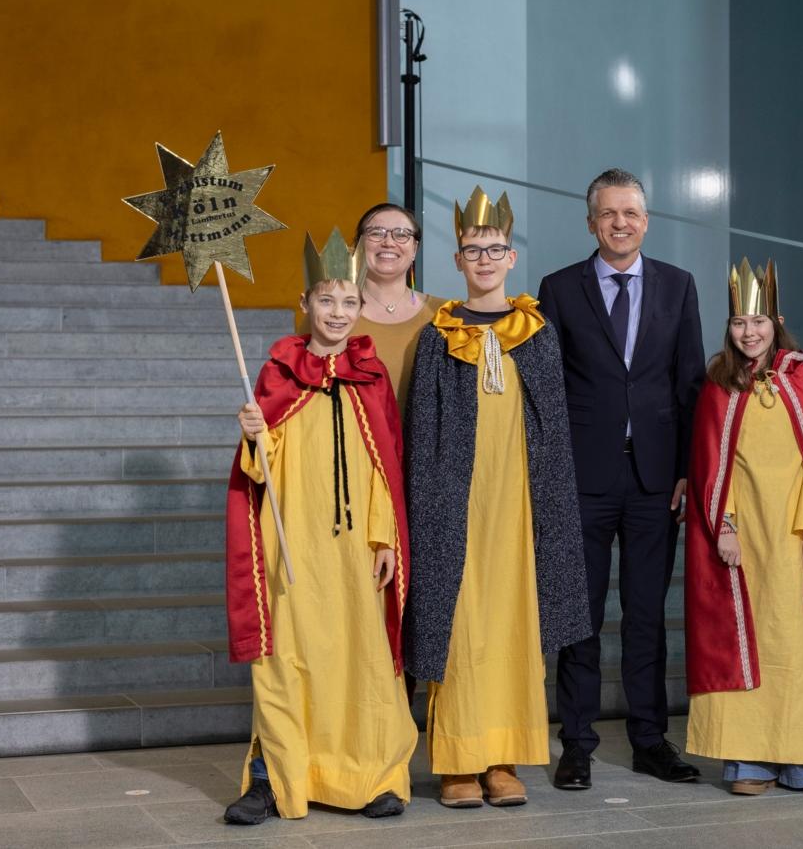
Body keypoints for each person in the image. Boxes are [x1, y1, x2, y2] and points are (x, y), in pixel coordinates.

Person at [403, 186, 589, 809]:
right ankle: (457, 758)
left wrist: (552, 507)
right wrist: (427, 505)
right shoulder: (438, 335)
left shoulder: (536, 332)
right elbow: (421, 431)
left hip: (521, 506)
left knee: (514, 623)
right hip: (456, 505)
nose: (484, 258)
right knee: (458, 626)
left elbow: (555, 428)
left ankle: (504, 758)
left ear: (512, 257)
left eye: (495, 248)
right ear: (456, 260)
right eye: (471, 249)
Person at [223, 230, 415, 824]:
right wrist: (257, 434)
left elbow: (387, 464)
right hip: (295, 545)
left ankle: (374, 776)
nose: (337, 313)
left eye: (348, 302)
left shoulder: (370, 373)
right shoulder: (280, 370)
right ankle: (275, 779)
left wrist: (385, 539)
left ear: (361, 306)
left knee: (364, 659)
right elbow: (260, 471)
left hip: (357, 551)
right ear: (305, 303)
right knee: (287, 663)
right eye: (325, 301)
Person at [537, 168, 706, 789]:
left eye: (630, 213)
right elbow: (548, 391)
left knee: (645, 615)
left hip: (657, 481)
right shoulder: (559, 289)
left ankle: (649, 739)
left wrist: (689, 469)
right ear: (590, 222)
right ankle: (576, 743)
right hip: (582, 477)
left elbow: (690, 383)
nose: (620, 223)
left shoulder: (678, 286)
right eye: (608, 214)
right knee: (576, 615)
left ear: (646, 219)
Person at [683, 258, 803, 796]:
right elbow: (711, 465)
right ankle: (747, 762)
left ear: (776, 322)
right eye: (740, 323)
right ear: (730, 328)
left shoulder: (800, 379)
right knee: (742, 641)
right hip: (743, 540)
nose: (750, 332)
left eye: (759, 321)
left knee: (793, 645)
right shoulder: (719, 386)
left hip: (794, 539)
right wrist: (724, 525)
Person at [348, 202, 446, 415]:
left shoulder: (445, 316)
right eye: (376, 233)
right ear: (358, 245)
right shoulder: (329, 316)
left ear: (415, 249)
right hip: (353, 445)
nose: (389, 242)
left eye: (401, 234)